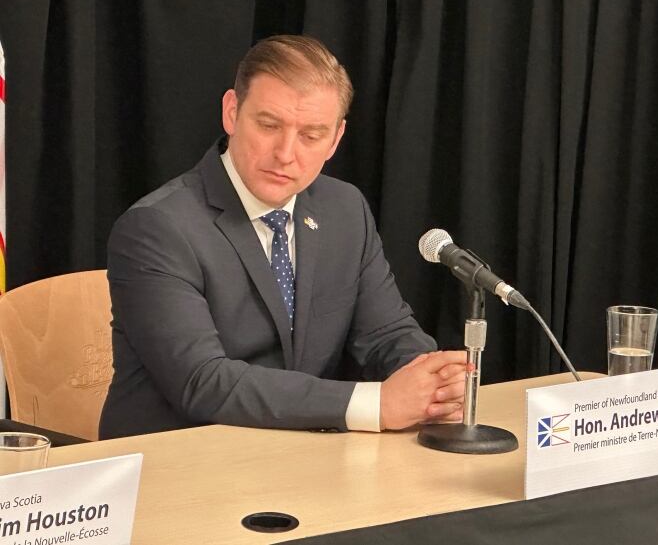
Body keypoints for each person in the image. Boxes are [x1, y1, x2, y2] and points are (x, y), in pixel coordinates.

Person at [99, 35, 469, 439]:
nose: (286, 153)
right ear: (231, 112)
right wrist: (378, 403)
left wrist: (432, 383)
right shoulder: (158, 227)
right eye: (269, 125)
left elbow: (386, 334)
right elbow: (203, 382)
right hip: (182, 465)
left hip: (302, 458)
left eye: (311, 135)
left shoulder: (344, 209)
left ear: (335, 139)